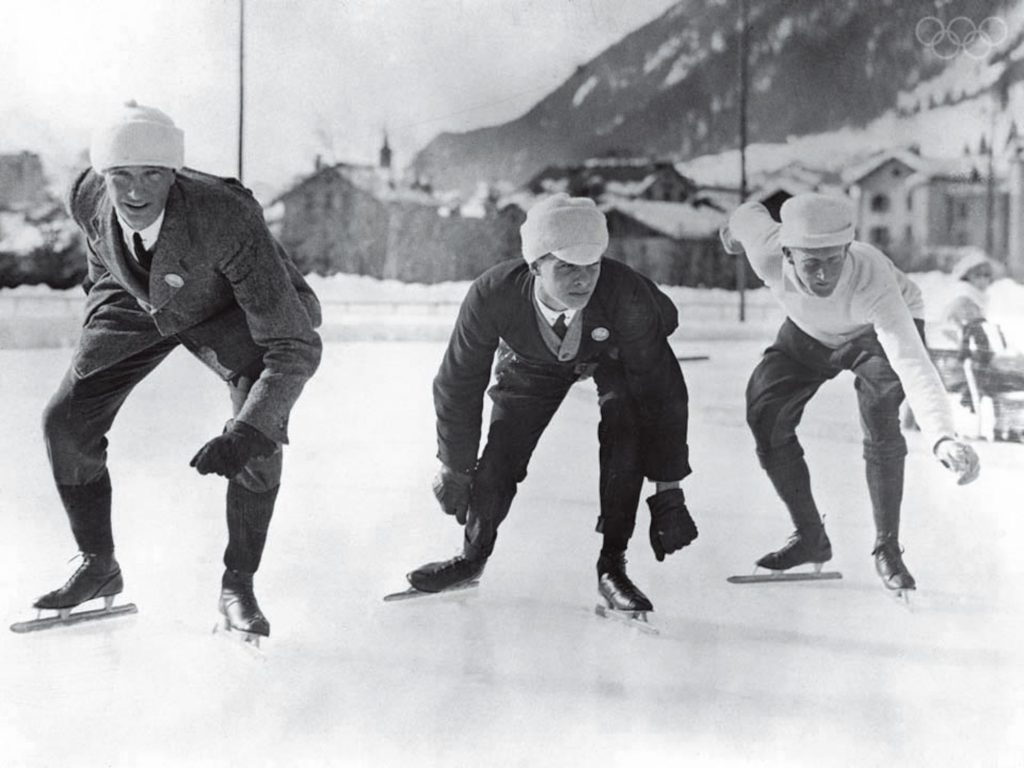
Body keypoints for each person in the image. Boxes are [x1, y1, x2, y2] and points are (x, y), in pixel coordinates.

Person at [33, 100, 322, 639]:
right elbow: (101, 258)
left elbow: (293, 343)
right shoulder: (87, 193)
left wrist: (250, 430)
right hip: (136, 298)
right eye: (122, 176)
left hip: (231, 307)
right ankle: (98, 565)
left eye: (153, 175)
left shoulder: (226, 216)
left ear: (174, 174)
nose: (136, 191)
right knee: (65, 420)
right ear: (103, 176)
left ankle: (238, 584)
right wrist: (101, 331)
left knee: (258, 438)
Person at [404, 193, 698, 614]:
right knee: (501, 455)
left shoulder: (626, 295)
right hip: (532, 360)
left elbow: (662, 389)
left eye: (591, 266)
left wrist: (669, 489)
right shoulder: (492, 295)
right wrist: (454, 464)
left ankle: (612, 565)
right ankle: (472, 558)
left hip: (612, 349)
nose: (582, 280)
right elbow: (458, 382)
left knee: (625, 429)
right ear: (535, 266)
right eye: (566, 267)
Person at [722, 193, 980, 592]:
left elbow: (912, 362)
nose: (824, 276)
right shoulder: (767, 253)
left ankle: (887, 548)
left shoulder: (872, 276)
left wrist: (943, 437)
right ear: (788, 255)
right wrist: (731, 233)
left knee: (880, 415)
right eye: (812, 264)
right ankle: (810, 537)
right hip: (809, 331)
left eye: (834, 260)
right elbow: (746, 215)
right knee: (764, 411)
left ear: (847, 249)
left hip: (873, 332)